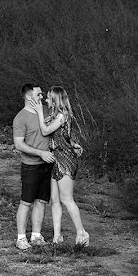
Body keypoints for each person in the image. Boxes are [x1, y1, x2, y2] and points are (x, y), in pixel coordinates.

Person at [12, 84, 66, 250]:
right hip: (31, 165)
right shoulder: (20, 118)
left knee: (42, 201)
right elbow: (19, 145)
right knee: (26, 202)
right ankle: (21, 238)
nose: (42, 97)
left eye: (42, 95)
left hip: (48, 164)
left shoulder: (47, 111)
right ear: (29, 97)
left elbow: (60, 128)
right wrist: (40, 153)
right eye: (39, 94)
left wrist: (72, 145)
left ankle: (36, 235)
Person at [41, 85, 89, 246]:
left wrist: (40, 114)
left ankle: (82, 233)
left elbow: (46, 130)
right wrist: (74, 144)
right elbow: (66, 137)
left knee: (67, 199)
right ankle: (57, 236)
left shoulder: (62, 115)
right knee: (54, 200)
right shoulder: (56, 115)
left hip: (65, 159)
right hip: (56, 158)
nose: (46, 100)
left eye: (48, 97)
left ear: (55, 99)